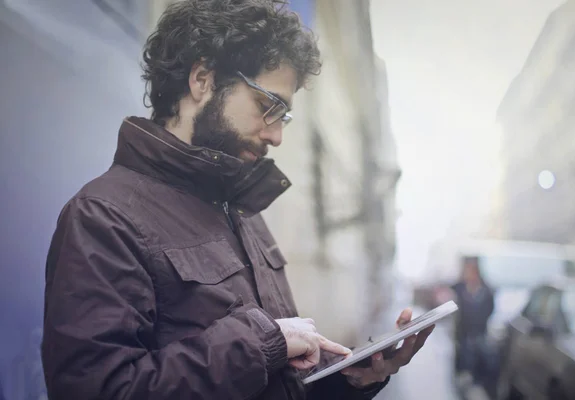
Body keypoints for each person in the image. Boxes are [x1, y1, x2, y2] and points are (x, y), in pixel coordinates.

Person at [41, 1, 434, 399]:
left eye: (284, 116)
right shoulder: (103, 217)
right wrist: (261, 342)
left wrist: (353, 377)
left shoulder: (239, 210)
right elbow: (98, 390)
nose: (277, 136)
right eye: (268, 107)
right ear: (202, 79)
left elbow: (271, 380)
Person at [451, 257, 495, 388]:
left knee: (480, 354)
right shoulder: (460, 288)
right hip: (464, 331)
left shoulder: (485, 290)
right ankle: (463, 375)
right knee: (464, 353)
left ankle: (476, 379)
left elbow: (490, 307)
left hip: (480, 330)